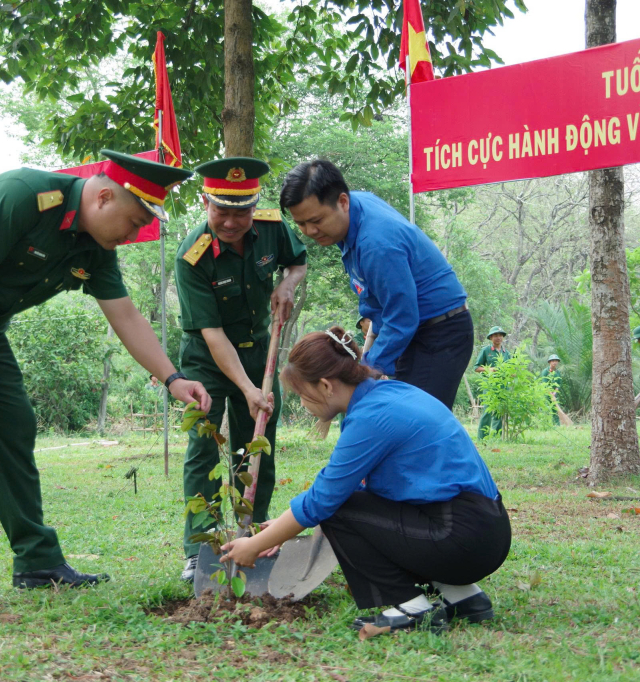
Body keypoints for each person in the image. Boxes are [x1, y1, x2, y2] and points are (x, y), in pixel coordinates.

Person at [0, 150, 211, 616]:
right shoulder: (24, 194)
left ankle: (37, 562)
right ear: (103, 197)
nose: (134, 234)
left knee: (14, 425)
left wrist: (173, 379)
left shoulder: (96, 247)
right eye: (134, 221)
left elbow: (125, 314)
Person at [220, 327, 510, 634]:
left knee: (337, 509)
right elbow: (358, 493)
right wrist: (281, 525)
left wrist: (254, 545)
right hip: (485, 530)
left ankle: (411, 607)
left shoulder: (372, 418)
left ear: (325, 385)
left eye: (304, 395)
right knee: (350, 503)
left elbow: (323, 501)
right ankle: (463, 597)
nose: (304, 405)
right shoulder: (391, 393)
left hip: (460, 538)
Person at [174, 157, 307, 582]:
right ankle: (202, 545)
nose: (231, 222)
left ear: (256, 206)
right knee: (204, 447)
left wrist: (287, 283)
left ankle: (255, 532)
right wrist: (250, 389)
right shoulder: (191, 257)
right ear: (204, 201)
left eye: (241, 211)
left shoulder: (270, 227)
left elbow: (298, 262)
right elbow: (212, 335)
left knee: (257, 443)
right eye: (221, 211)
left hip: (258, 350)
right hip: (207, 361)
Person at [279, 159, 471, 408]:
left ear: (343, 202)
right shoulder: (353, 212)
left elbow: (402, 318)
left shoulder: (376, 244)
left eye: (316, 220)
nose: (310, 231)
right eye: (301, 223)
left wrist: (364, 372)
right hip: (414, 332)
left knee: (416, 424)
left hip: (439, 334)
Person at [474, 327, 511, 440]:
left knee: (499, 412)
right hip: (490, 385)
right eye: (495, 335)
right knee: (488, 410)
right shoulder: (486, 351)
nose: (498, 337)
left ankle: (496, 436)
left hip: (503, 385)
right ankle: (482, 437)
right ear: (491, 338)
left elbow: (510, 368)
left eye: (500, 335)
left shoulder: (506, 353)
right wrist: (489, 369)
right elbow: (476, 367)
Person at [540, 354, 562, 426]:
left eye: (556, 361)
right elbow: (545, 384)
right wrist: (550, 394)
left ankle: (557, 425)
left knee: (555, 410)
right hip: (546, 394)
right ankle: (544, 425)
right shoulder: (545, 372)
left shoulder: (558, 372)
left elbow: (558, 384)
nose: (554, 362)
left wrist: (554, 394)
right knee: (545, 409)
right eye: (552, 361)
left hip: (555, 394)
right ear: (549, 362)